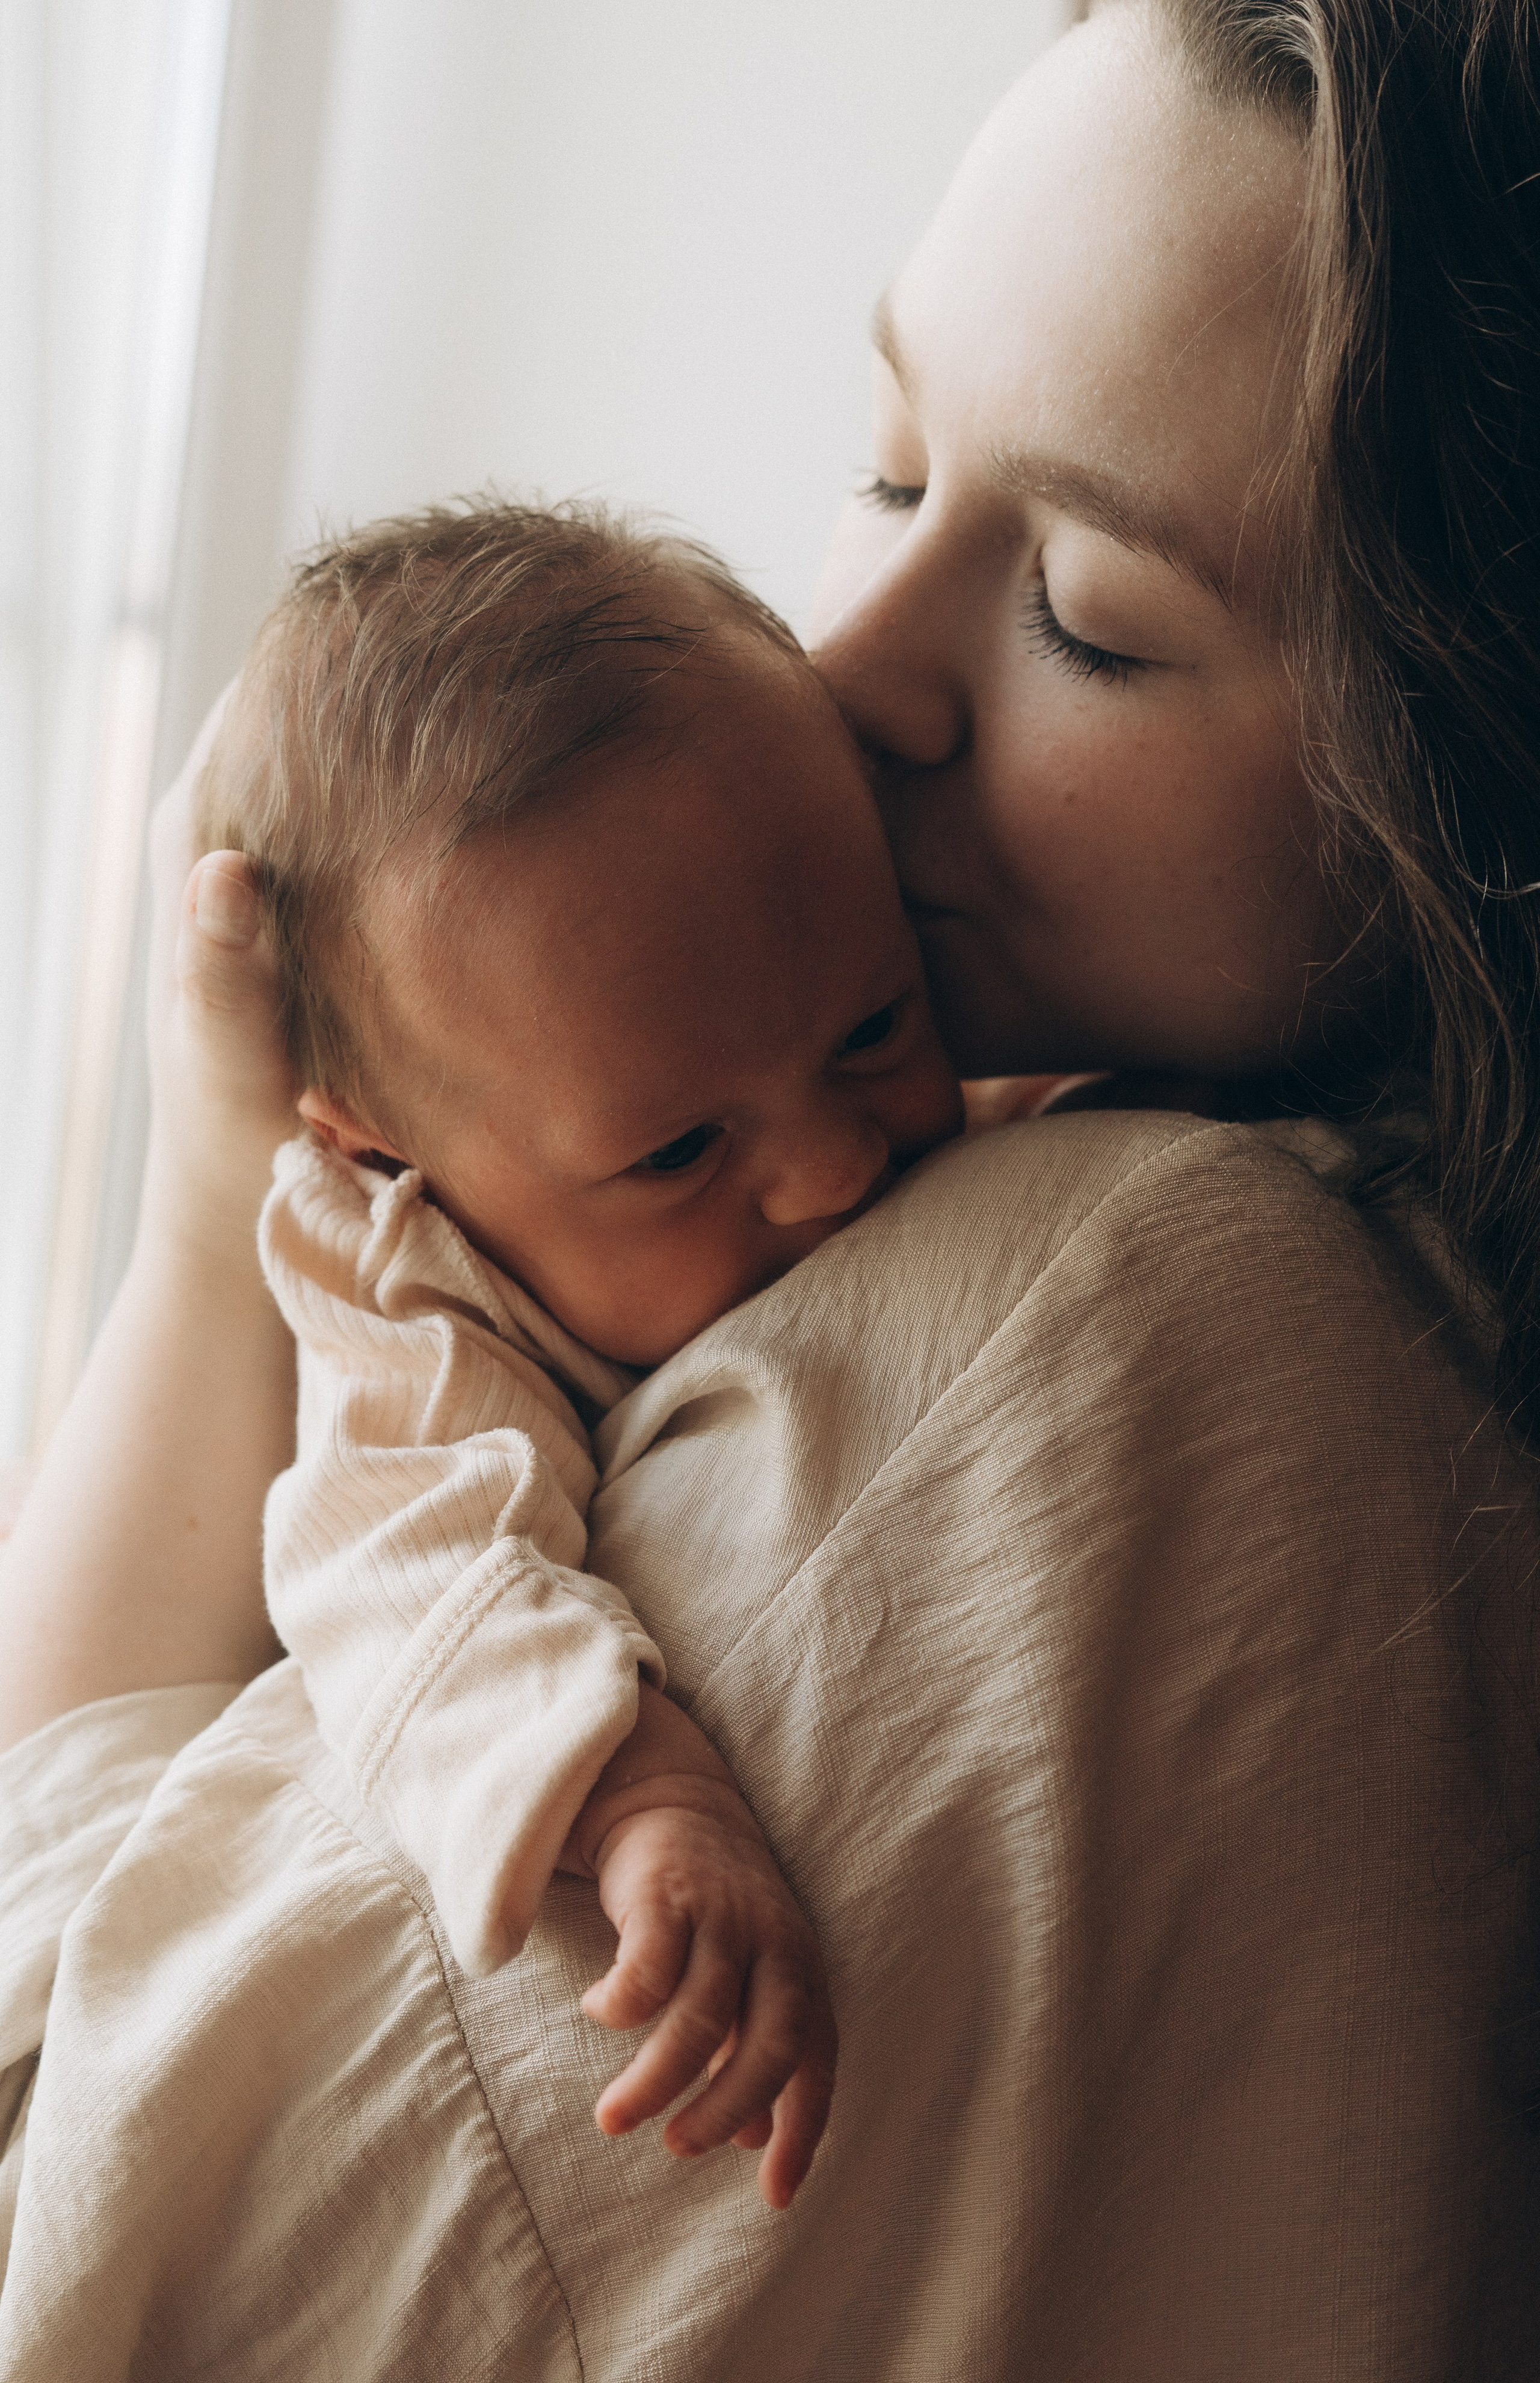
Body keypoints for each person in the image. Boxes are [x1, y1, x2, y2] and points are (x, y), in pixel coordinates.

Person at [2, 0, 1539, 2373]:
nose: (845, 668)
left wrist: (218, 1233)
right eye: (895, 458)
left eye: (1093, 627)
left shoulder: (1115, 1314)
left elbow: (59, 2163)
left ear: (1473, 795)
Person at [204, 497, 964, 2197]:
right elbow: (405, 1566)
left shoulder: (753, 1043)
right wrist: (642, 1804)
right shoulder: (410, 1289)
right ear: (389, 1153)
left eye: (875, 1023)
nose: (834, 1163)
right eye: (684, 1149)